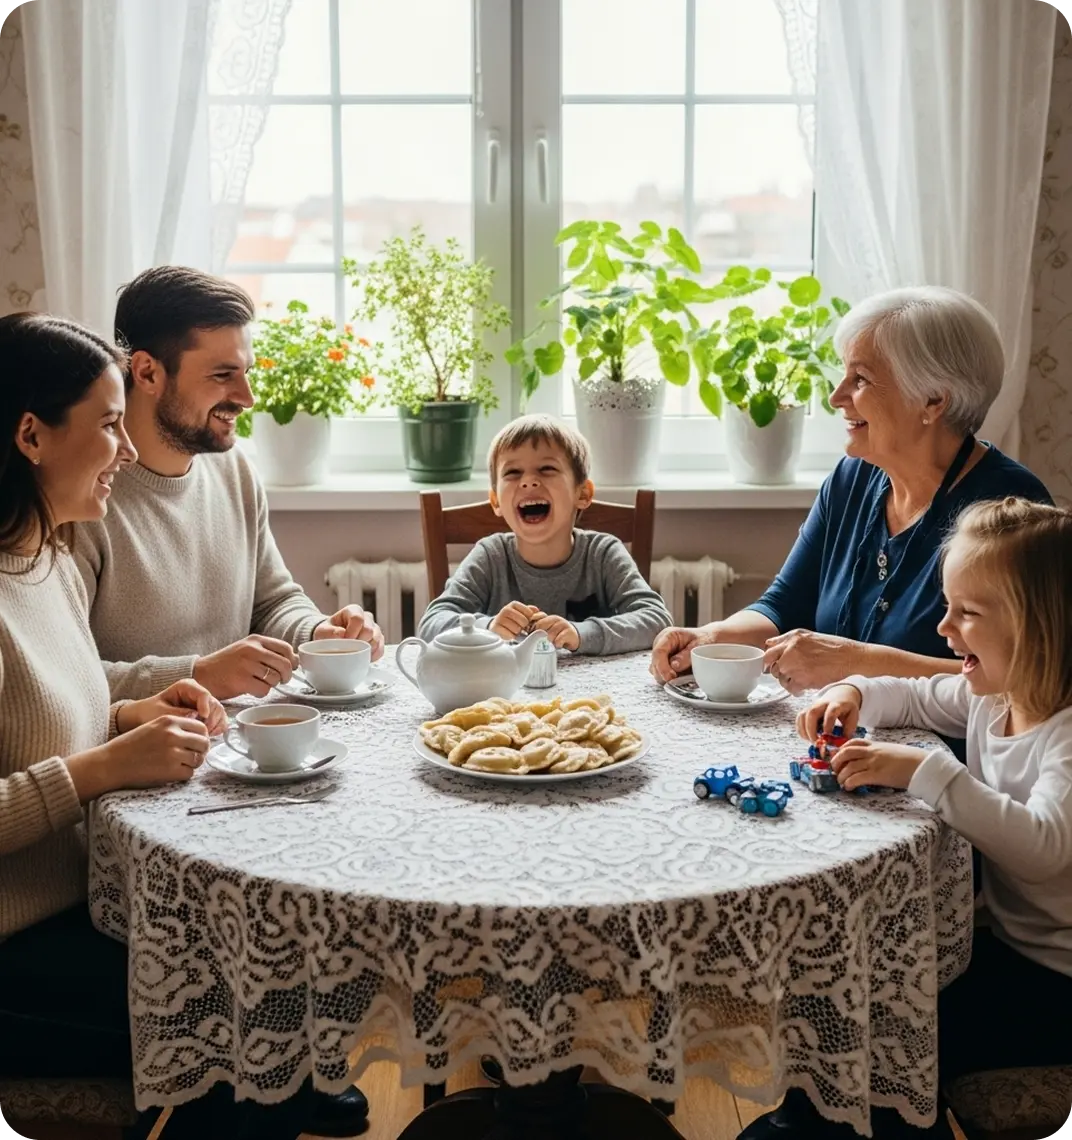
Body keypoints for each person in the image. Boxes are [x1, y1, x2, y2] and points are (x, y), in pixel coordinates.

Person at [0, 312, 321, 1140]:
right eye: (108, 427)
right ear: (31, 435)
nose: (129, 450)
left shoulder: (42, 558)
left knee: (272, 953)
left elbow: (43, 705)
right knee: (243, 1024)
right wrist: (99, 768)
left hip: (83, 899)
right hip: (15, 949)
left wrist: (129, 709)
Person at [744, 497, 1072, 1139]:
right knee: (856, 995)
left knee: (896, 1030)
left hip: (1056, 984)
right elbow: (915, 692)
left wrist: (924, 773)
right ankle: (807, 1121)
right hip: (1003, 947)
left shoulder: (1065, 734)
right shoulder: (995, 694)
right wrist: (854, 690)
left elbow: (1042, 847)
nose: (945, 630)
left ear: (1035, 628)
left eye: (967, 614)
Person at [650, 286, 1052, 694]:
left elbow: (1023, 682)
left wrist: (853, 662)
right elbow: (783, 605)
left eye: (860, 379)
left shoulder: (1010, 510)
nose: (836, 396)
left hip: (950, 754)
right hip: (844, 735)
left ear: (932, 400)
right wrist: (712, 637)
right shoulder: (852, 478)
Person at [74, 266, 384, 703]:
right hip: (140, 753)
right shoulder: (81, 498)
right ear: (146, 373)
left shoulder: (235, 470)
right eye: (222, 375)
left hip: (234, 744)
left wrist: (319, 630)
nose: (247, 397)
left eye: (246, 371)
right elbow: (65, 680)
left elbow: (272, 602)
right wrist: (198, 675)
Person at [418, 414, 672, 653]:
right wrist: (486, 628)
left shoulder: (603, 554)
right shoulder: (490, 555)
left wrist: (581, 633)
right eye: (513, 472)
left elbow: (657, 620)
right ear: (495, 501)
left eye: (547, 469)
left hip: (592, 695)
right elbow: (431, 623)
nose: (528, 481)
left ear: (582, 494)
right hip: (503, 695)